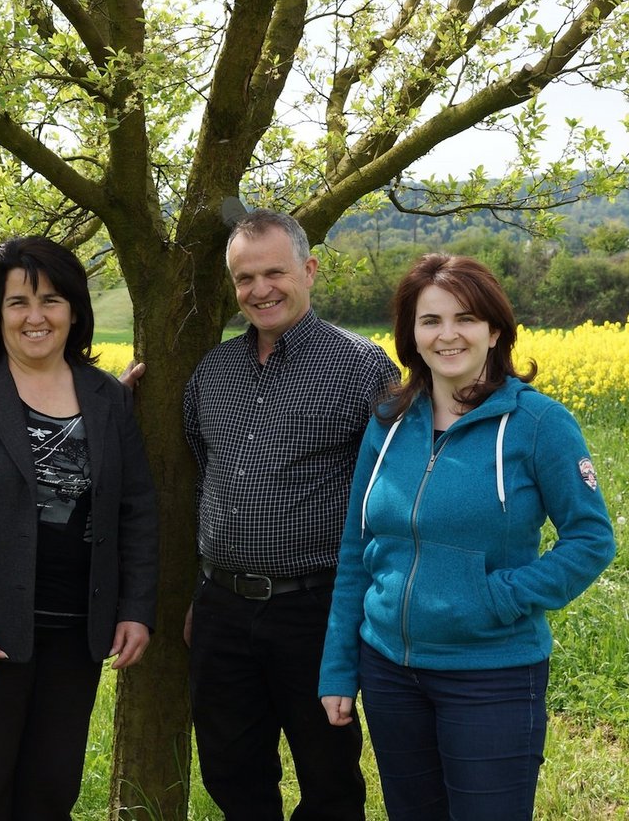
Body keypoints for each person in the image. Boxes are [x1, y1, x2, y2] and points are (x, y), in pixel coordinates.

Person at [318, 254, 617, 821]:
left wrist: (496, 596)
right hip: (389, 672)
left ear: (494, 330)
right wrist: (339, 667)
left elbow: (591, 539)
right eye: (430, 320)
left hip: (491, 676)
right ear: (410, 333)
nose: (448, 335)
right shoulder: (387, 422)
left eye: (466, 319)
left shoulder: (538, 424)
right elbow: (358, 550)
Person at [0, 236, 158, 820]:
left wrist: (135, 607)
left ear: (74, 309)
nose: (35, 316)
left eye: (50, 300)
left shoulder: (108, 399)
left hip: (76, 632)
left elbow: (137, 511)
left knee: (51, 792)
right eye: (18, 302)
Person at [182, 209, 399, 821]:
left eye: (273, 272)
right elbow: (204, 470)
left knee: (328, 774)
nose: (259, 290)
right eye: (244, 279)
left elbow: (388, 495)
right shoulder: (213, 371)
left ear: (308, 269)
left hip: (317, 607)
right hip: (222, 608)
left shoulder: (363, 368)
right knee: (230, 770)